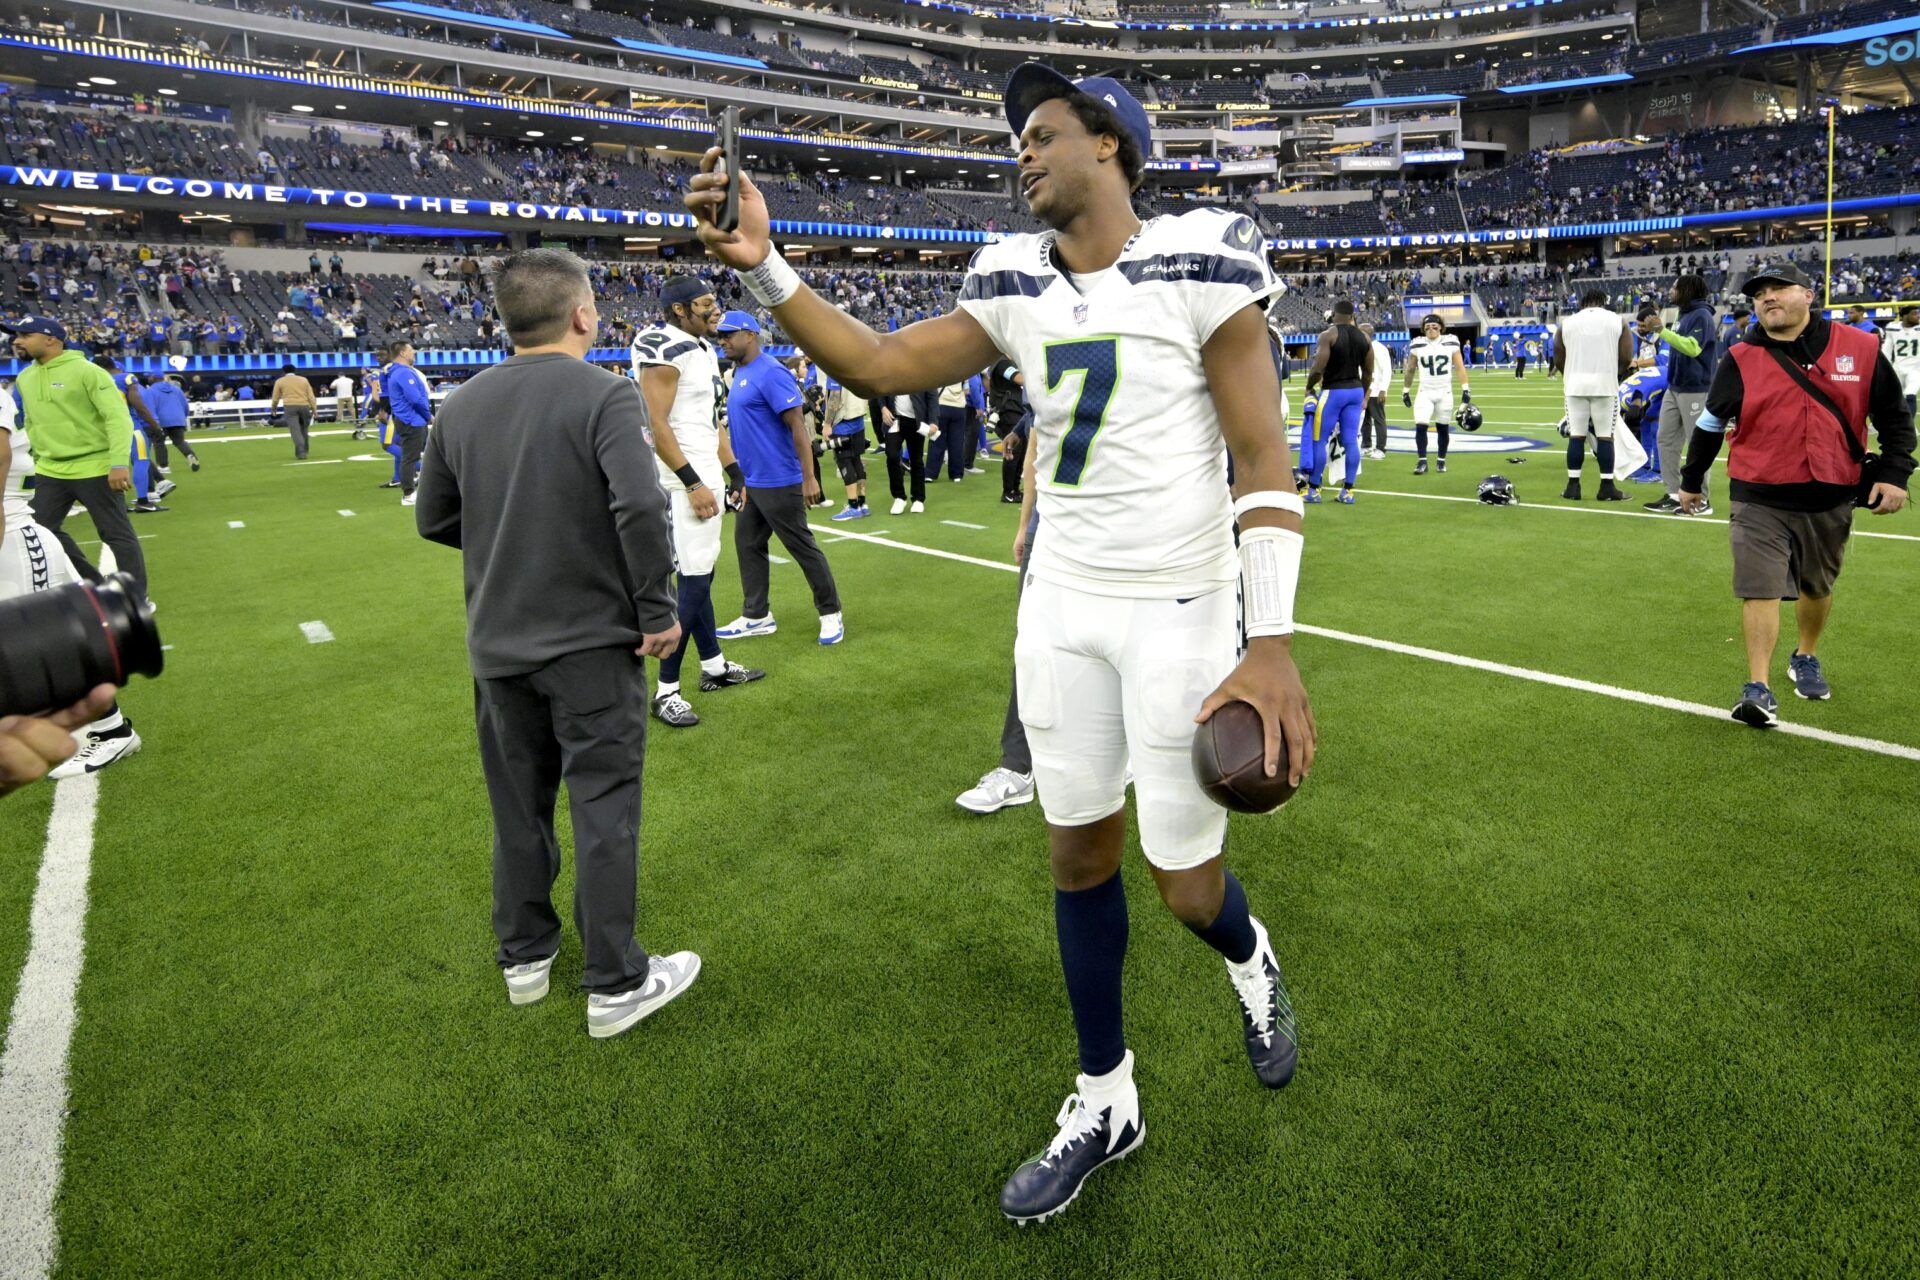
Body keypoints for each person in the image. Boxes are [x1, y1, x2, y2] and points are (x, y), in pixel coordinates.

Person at [686, 61, 1313, 1224]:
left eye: (1042, 133)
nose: (1020, 153)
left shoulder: (1201, 256)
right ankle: (1106, 1095)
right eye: (1017, 138)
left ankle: (1249, 953)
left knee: (1185, 885)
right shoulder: (1012, 277)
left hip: (1182, 602)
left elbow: (1263, 458)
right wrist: (766, 267)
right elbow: (876, 363)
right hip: (1061, 599)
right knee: (1076, 856)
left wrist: (1266, 641)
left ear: (1111, 147)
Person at [413, 248, 700, 1038]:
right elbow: (641, 506)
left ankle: (526, 959)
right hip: (589, 646)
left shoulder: (461, 402)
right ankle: (615, 982)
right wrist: (656, 609)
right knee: (603, 807)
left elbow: (433, 518)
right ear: (581, 314)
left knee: (518, 808)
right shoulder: (604, 393)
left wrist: (514, 540)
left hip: (499, 646)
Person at [1678, 262, 1913, 727]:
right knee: (1758, 587)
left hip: (1830, 493)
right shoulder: (1740, 357)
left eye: (1779, 288)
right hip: (1758, 494)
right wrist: (1690, 480)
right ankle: (1758, 688)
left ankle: (1805, 654)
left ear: (1808, 294)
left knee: (1816, 585)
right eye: (1759, 293)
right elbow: (1709, 423)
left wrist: (1896, 474)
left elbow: (1894, 418)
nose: (1768, 297)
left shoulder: (1861, 348)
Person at [0, 344, 143, 776]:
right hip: (42, 494)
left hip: (12, 534)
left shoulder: (83, 374)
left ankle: (112, 731)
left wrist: (118, 461)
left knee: (41, 644)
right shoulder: (27, 379)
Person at [630, 275, 764, 730]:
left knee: (700, 574)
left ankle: (713, 666)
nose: (715, 310)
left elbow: (711, 422)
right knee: (692, 582)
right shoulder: (662, 346)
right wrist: (690, 482)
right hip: (681, 479)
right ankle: (666, 690)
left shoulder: (704, 349)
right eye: (705, 304)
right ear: (679, 310)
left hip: (705, 471)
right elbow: (656, 422)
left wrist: (734, 471)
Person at [710, 311, 844, 646]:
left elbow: (798, 427)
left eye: (729, 335)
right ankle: (757, 616)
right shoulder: (739, 372)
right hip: (752, 482)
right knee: (747, 544)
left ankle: (831, 613)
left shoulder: (771, 372)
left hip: (780, 480)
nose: (722, 340)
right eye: (720, 336)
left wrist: (809, 478)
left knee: (802, 547)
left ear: (751, 335)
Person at [1645, 275, 1717, 514]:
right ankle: (1674, 494)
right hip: (1675, 386)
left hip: (1695, 388)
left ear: (1687, 290)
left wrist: (1661, 331)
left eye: (1676, 287)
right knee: (1665, 439)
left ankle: (1701, 499)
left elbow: (1692, 348)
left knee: (1698, 445)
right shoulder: (1683, 313)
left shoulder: (1702, 315)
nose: (1671, 290)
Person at [1551, 290, 1633, 502]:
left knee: (1576, 435)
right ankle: (1606, 486)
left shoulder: (1567, 323)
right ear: (1604, 302)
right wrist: (1616, 373)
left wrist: (1568, 374)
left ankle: (1573, 486)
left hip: (1575, 385)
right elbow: (1626, 356)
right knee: (1605, 436)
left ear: (1582, 303)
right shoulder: (1618, 321)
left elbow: (1558, 355)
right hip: (1605, 385)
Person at [1300, 299, 1371, 503]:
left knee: (1319, 439)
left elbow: (1318, 366)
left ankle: (1314, 490)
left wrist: (1309, 387)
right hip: (1355, 390)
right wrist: (1362, 393)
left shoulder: (1328, 335)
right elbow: (1368, 372)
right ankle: (1348, 491)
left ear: (1334, 315)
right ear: (1352, 316)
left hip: (1333, 391)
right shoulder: (1364, 338)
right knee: (1350, 440)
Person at [1401, 314, 1468, 476]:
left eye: (1434, 326)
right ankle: (1422, 461)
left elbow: (1459, 367)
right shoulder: (1417, 344)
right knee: (1420, 426)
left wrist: (1466, 389)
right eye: (1427, 326)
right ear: (1423, 329)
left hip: (1445, 392)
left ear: (1440, 327)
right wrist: (1406, 390)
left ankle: (1441, 460)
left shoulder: (1451, 341)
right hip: (1425, 391)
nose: (1431, 329)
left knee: (1443, 428)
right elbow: (1410, 369)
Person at [384, 341, 434, 507]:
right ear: (403, 353)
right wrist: (428, 416)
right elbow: (415, 398)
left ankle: (411, 491)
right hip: (411, 420)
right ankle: (408, 494)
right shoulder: (404, 373)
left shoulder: (396, 372)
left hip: (408, 419)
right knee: (410, 457)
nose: (414, 353)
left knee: (411, 456)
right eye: (411, 350)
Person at [822, 375, 873, 520]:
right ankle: (862, 504)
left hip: (843, 422)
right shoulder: (854, 367)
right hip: (859, 419)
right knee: (857, 461)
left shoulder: (835, 370)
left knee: (845, 463)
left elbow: (835, 397)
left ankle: (853, 506)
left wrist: (827, 423)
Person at [985, 356, 1028, 503]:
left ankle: (1015, 489)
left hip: (1017, 412)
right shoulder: (1002, 363)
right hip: (1009, 414)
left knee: (1021, 453)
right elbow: (1020, 379)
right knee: (1013, 452)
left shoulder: (1006, 363)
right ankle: (1008, 491)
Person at [144, 374, 199, 474]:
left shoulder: (150, 391)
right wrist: (183, 416)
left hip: (161, 420)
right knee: (179, 441)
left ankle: (164, 466)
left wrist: (154, 421)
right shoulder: (176, 389)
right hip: (177, 419)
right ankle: (190, 455)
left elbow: (150, 407)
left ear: (152, 378)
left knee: (159, 443)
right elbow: (184, 404)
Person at [270, 363, 318, 461]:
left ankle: (300, 451)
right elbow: (311, 396)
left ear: (283, 371)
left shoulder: (280, 381)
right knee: (304, 429)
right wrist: (314, 409)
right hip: (304, 406)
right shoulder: (304, 380)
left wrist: (273, 408)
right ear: (294, 370)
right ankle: (305, 450)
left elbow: (275, 397)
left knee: (295, 430)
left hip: (290, 406)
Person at [1882, 304, 1920, 416]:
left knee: (1910, 394)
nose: (1917, 316)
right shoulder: (1892, 328)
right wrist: (1885, 367)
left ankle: (1909, 427)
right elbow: (1887, 350)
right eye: (1914, 314)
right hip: (1898, 367)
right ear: (1904, 316)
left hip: (1916, 368)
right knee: (1891, 397)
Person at [1361, 321, 1391, 460]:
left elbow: (1386, 370)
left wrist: (1383, 389)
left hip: (1376, 389)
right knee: (1364, 420)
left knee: (1378, 419)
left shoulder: (1379, 348)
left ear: (1368, 333)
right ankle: (1366, 445)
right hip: (1362, 390)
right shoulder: (1360, 347)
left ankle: (1381, 448)